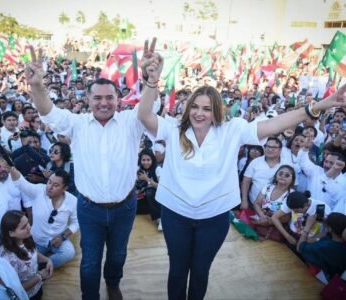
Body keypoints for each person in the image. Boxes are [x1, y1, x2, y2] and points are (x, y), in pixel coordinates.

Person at [137, 38, 346, 300]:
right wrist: (151, 80)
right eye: (195, 107)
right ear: (188, 109)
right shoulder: (173, 129)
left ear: (216, 112)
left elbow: (276, 124)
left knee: (200, 271)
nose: (199, 113)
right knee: (178, 270)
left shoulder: (232, 130)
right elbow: (145, 115)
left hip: (213, 219)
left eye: (207, 108)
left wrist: (315, 107)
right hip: (176, 214)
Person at [26, 46, 146, 300]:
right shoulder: (77, 123)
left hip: (125, 207)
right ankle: (89, 296)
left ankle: (113, 285)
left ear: (118, 99)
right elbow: (47, 111)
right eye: (98, 98)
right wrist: (37, 86)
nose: (104, 102)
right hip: (89, 209)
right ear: (88, 100)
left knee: (118, 254)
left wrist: (152, 81)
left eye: (109, 97)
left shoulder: (130, 122)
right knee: (90, 260)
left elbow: (147, 106)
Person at [10, 168, 78, 269]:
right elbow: (21, 183)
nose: (49, 187)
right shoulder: (39, 190)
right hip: (36, 240)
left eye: (55, 185)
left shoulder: (72, 201)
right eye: (49, 182)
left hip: (58, 240)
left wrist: (63, 237)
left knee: (69, 253)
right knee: (24, 256)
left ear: (65, 188)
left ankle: (41, 267)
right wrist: (11, 168)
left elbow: (76, 223)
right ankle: (43, 266)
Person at [0, 210, 53, 299]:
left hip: (37, 286)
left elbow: (33, 253)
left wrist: (47, 260)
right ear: (11, 233)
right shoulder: (7, 258)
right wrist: (40, 276)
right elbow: (15, 290)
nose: (29, 227)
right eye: (23, 227)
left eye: (28, 223)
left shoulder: (25, 237)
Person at [297, 212, 346, 281]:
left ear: (330, 229)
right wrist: (326, 229)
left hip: (326, 279)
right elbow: (310, 241)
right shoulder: (333, 239)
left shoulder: (324, 248)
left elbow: (299, 247)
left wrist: (307, 227)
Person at [135, 148, 162, 231]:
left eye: (148, 160)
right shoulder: (137, 169)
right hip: (141, 200)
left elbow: (162, 187)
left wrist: (147, 179)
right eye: (143, 160)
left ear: (152, 160)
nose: (146, 162)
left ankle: (160, 219)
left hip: (154, 199)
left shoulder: (157, 169)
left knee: (149, 191)